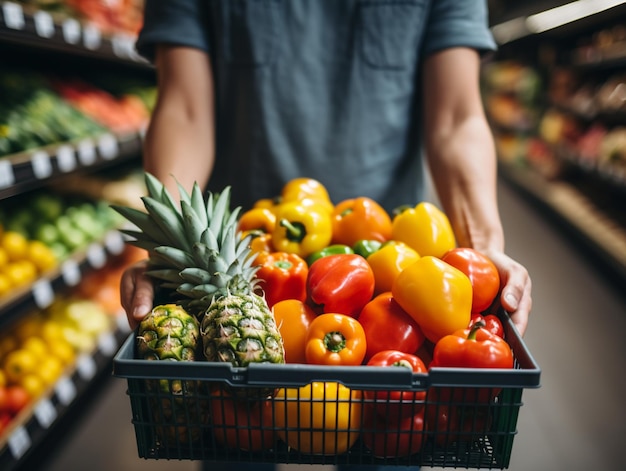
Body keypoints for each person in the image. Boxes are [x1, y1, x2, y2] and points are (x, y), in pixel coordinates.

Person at [121, 1, 532, 470]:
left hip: (394, 268)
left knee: (387, 440)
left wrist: (483, 249)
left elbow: (457, 118)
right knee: (237, 442)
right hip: (244, 256)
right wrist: (162, 245)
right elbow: (184, 109)